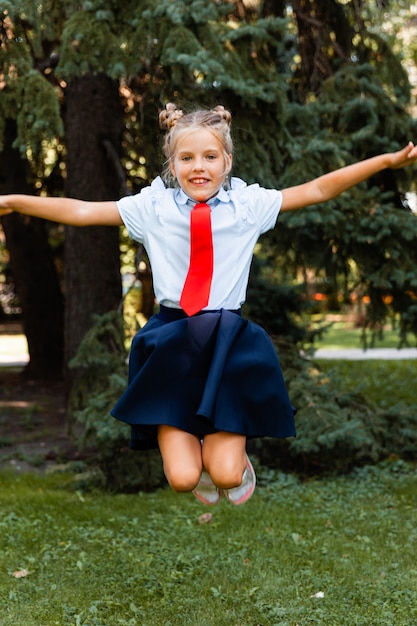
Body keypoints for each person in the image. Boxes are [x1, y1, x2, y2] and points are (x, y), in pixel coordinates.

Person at [1, 103, 416, 506]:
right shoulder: (153, 208)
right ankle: (192, 450)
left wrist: (384, 162)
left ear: (227, 161)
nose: (199, 166)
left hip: (226, 342)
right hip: (171, 344)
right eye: (187, 157)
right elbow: (80, 210)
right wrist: (11, 202)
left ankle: (233, 461)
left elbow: (317, 189)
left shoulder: (248, 206)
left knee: (227, 476)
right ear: (172, 163)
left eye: (210, 156)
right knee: (183, 480)